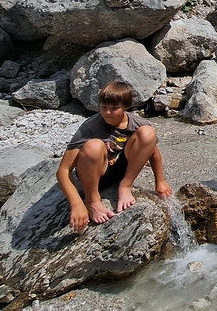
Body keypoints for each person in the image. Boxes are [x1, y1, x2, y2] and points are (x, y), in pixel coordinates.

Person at [56, 81, 172, 233]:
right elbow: (63, 171)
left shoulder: (136, 123)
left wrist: (160, 181)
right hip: (97, 174)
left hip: (122, 170)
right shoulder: (90, 127)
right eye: (104, 107)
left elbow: (153, 152)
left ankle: (125, 186)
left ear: (126, 107)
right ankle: (92, 201)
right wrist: (77, 204)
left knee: (148, 132)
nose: (107, 113)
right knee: (94, 146)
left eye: (114, 108)